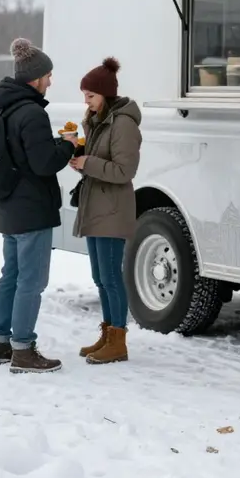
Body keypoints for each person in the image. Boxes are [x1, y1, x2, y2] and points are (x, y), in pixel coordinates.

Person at [0, 38, 77, 373]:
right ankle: (23, 350)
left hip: (8, 205)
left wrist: (52, 144)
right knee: (31, 281)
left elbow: (21, 154)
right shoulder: (33, 112)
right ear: (35, 77)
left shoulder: (2, 108)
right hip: (32, 209)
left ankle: (0, 343)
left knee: (10, 275)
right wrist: (67, 146)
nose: (50, 81)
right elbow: (42, 164)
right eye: (48, 76)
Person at [69, 57, 142, 364]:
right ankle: (108, 333)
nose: (86, 101)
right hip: (95, 207)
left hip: (112, 209)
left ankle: (119, 340)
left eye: (91, 96)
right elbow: (98, 164)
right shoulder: (98, 122)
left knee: (112, 277)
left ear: (106, 95)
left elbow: (125, 170)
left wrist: (89, 163)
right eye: (85, 95)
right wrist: (78, 152)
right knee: (100, 277)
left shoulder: (123, 124)